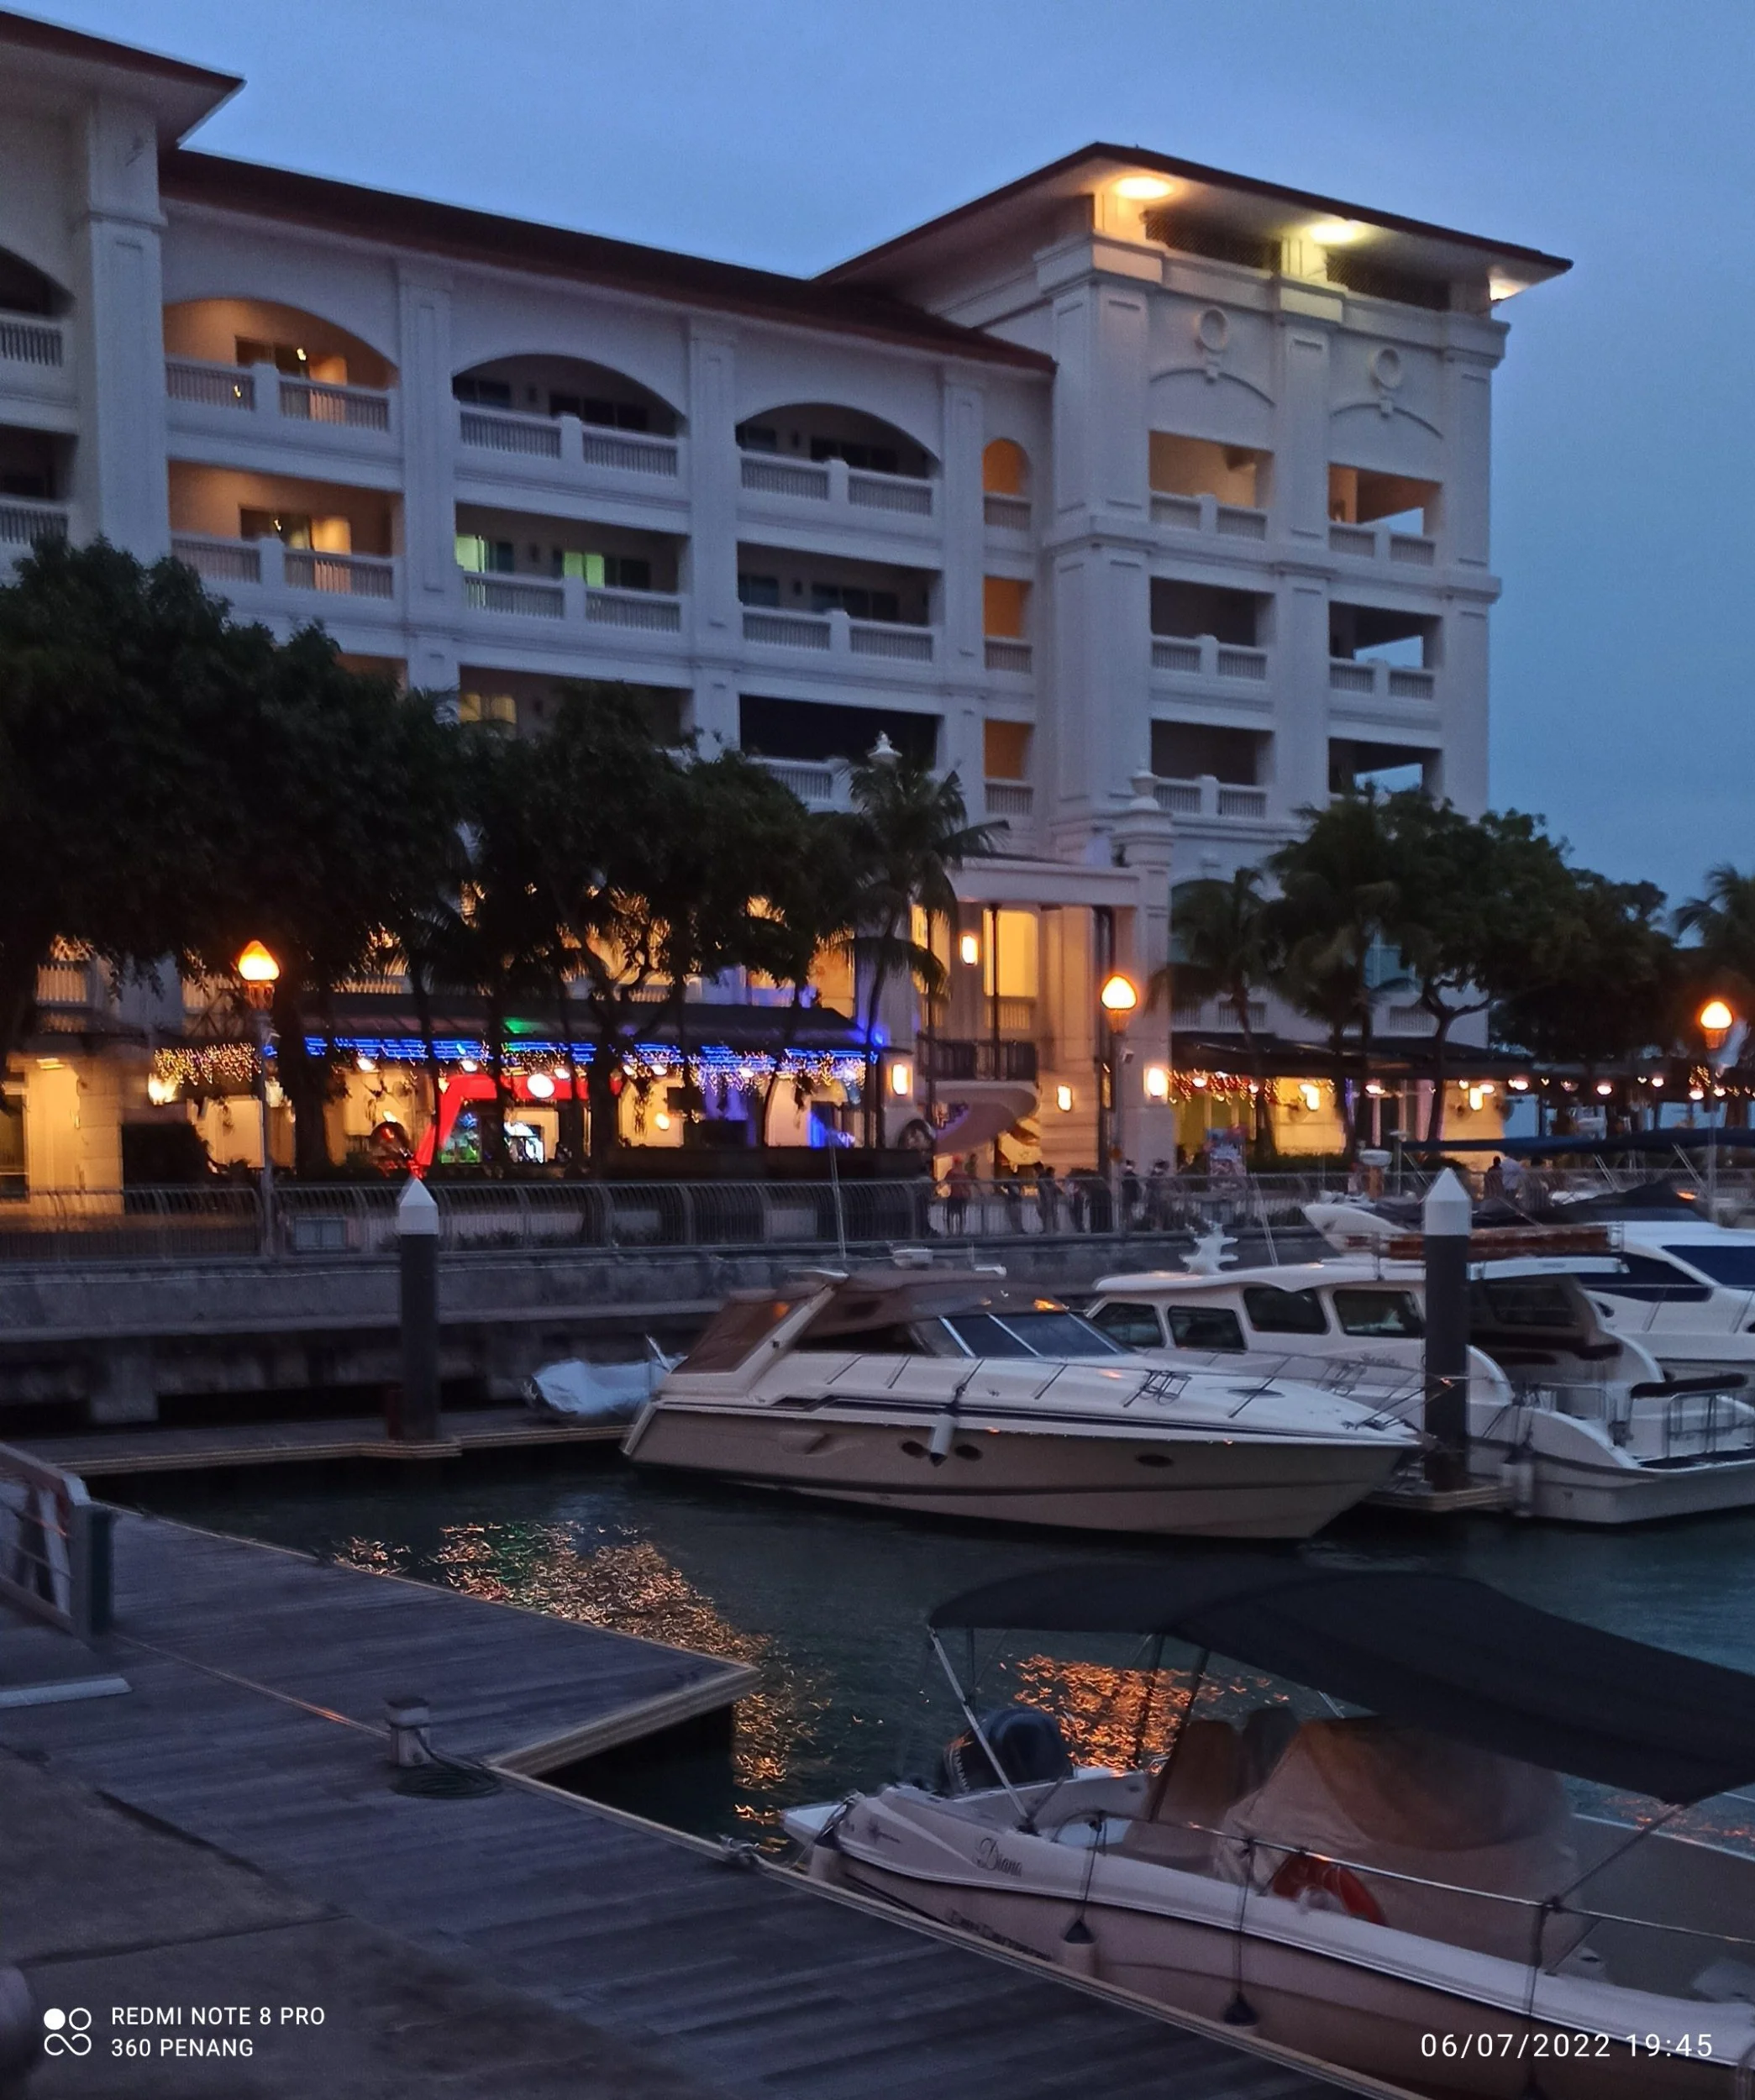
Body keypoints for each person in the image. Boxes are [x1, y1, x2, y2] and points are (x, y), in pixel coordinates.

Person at [944, 1155, 973, 1236]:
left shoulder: (955, 1173)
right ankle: (958, 1231)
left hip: (957, 1196)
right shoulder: (961, 1173)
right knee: (958, 1214)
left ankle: (954, 1231)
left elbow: (947, 1181)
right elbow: (967, 1185)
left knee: (954, 1214)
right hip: (958, 1196)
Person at [1036, 1162, 1061, 1235]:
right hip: (1050, 1198)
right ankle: (1053, 1229)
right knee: (1051, 1214)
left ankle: (1049, 1229)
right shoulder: (1047, 1176)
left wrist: (1047, 1198)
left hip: (1047, 1199)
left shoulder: (1042, 1177)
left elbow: (1045, 1189)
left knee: (1048, 1214)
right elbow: (1053, 1187)